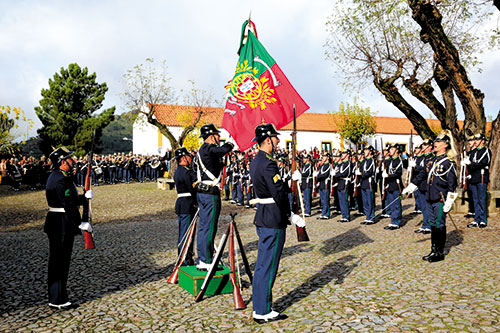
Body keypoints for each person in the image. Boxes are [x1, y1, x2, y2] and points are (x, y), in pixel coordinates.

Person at [249, 123, 305, 324]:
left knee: (264, 264)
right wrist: (290, 215)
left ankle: (262, 306)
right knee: (268, 265)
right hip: (273, 217)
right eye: (275, 137)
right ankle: (262, 310)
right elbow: (278, 194)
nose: (278, 140)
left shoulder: (257, 161)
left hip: (265, 215)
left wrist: (290, 180)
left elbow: (274, 187)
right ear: (267, 140)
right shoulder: (268, 163)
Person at [44, 147, 93, 310]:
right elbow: (67, 205)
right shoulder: (61, 179)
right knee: (60, 262)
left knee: (58, 261)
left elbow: (68, 199)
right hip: (62, 223)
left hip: (58, 221)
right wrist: (80, 223)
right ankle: (58, 299)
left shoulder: (57, 176)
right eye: (70, 159)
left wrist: (83, 198)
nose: (73, 161)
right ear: (63, 162)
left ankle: (57, 296)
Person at [193, 124, 234, 270]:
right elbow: (224, 149)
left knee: (204, 227)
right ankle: (207, 259)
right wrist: (230, 142)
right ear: (211, 136)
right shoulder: (209, 148)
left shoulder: (203, 150)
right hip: (210, 193)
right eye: (217, 135)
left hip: (203, 192)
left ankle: (203, 258)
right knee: (209, 227)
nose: (218, 137)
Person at [421, 131, 458, 262]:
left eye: (438, 142)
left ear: (445, 145)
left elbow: (452, 184)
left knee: (439, 224)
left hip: (440, 198)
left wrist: (450, 201)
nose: (435, 144)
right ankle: (433, 249)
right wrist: (413, 185)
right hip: (430, 197)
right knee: (432, 224)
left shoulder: (448, 162)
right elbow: (423, 175)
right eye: (435, 141)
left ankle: (439, 252)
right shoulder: (432, 160)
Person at [173, 147, 197, 266]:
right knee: (186, 233)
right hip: (187, 204)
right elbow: (192, 188)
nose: (190, 158)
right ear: (183, 158)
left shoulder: (179, 170)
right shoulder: (185, 172)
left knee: (187, 232)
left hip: (184, 204)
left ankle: (186, 257)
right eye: (188, 156)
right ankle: (184, 259)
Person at [405, 139, 434, 234]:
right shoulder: (423, 157)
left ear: (430, 146)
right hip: (421, 184)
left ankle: (429, 225)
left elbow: (425, 171)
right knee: (423, 206)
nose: (423, 146)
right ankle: (425, 224)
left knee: (427, 206)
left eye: (425, 145)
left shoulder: (431, 158)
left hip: (428, 184)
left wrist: (415, 168)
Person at [463, 133, 491, 228]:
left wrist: (471, 163)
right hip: (473, 177)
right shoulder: (472, 152)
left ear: (482, 141)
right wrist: (468, 172)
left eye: (478, 140)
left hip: (481, 177)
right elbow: (470, 166)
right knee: (474, 199)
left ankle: (483, 219)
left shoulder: (486, 151)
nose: (476, 141)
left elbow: (483, 163)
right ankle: (476, 218)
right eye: (475, 139)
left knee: (481, 198)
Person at [383, 144, 403, 230]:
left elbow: (398, 173)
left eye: (392, 149)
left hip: (396, 184)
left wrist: (388, 175)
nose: (389, 151)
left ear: (396, 150)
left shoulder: (399, 160)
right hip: (389, 185)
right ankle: (393, 220)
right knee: (391, 204)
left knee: (396, 204)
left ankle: (396, 221)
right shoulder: (389, 161)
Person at [359, 146, 376, 224]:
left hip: (369, 182)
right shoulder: (363, 161)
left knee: (370, 200)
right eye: (365, 150)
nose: (365, 152)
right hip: (363, 183)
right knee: (365, 201)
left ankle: (371, 217)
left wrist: (361, 174)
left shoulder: (372, 161)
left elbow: (370, 172)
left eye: (366, 150)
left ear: (370, 152)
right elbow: (361, 169)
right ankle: (367, 216)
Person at [335, 150, 352, 222]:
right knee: (341, 200)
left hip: (345, 182)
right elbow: (338, 172)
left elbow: (345, 173)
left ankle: (346, 216)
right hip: (340, 183)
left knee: (344, 200)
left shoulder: (348, 163)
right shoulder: (341, 164)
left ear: (348, 155)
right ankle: (343, 215)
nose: (342, 155)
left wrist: (337, 174)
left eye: (344, 153)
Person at [316, 152, 332, 219]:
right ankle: (323, 213)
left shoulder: (328, 165)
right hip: (321, 184)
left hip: (325, 184)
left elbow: (325, 175)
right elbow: (319, 174)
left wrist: (319, 176)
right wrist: (319, 176)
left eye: (325, 156)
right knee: (322, 200)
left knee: (325, 199)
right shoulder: (322, 166)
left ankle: (326, 214)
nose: (323, 158)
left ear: (328, 158)